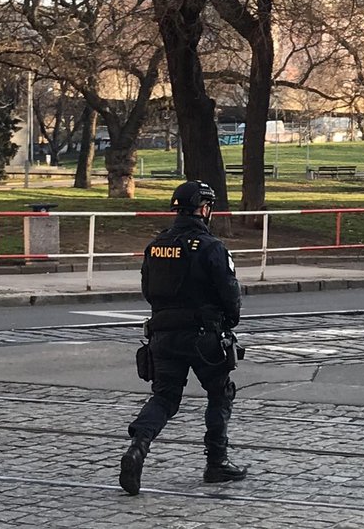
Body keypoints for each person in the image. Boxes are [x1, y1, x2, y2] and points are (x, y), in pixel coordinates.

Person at [119, 180, 246, 495]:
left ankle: (138, 446)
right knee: (220, 393)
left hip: (163, 335)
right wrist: (229, 321)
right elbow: (230, 294)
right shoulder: (211, 247)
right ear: (204, 209)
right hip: (204, 336)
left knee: (164, 397)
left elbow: (148, 291)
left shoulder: (156, 245)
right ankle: (216, 462)